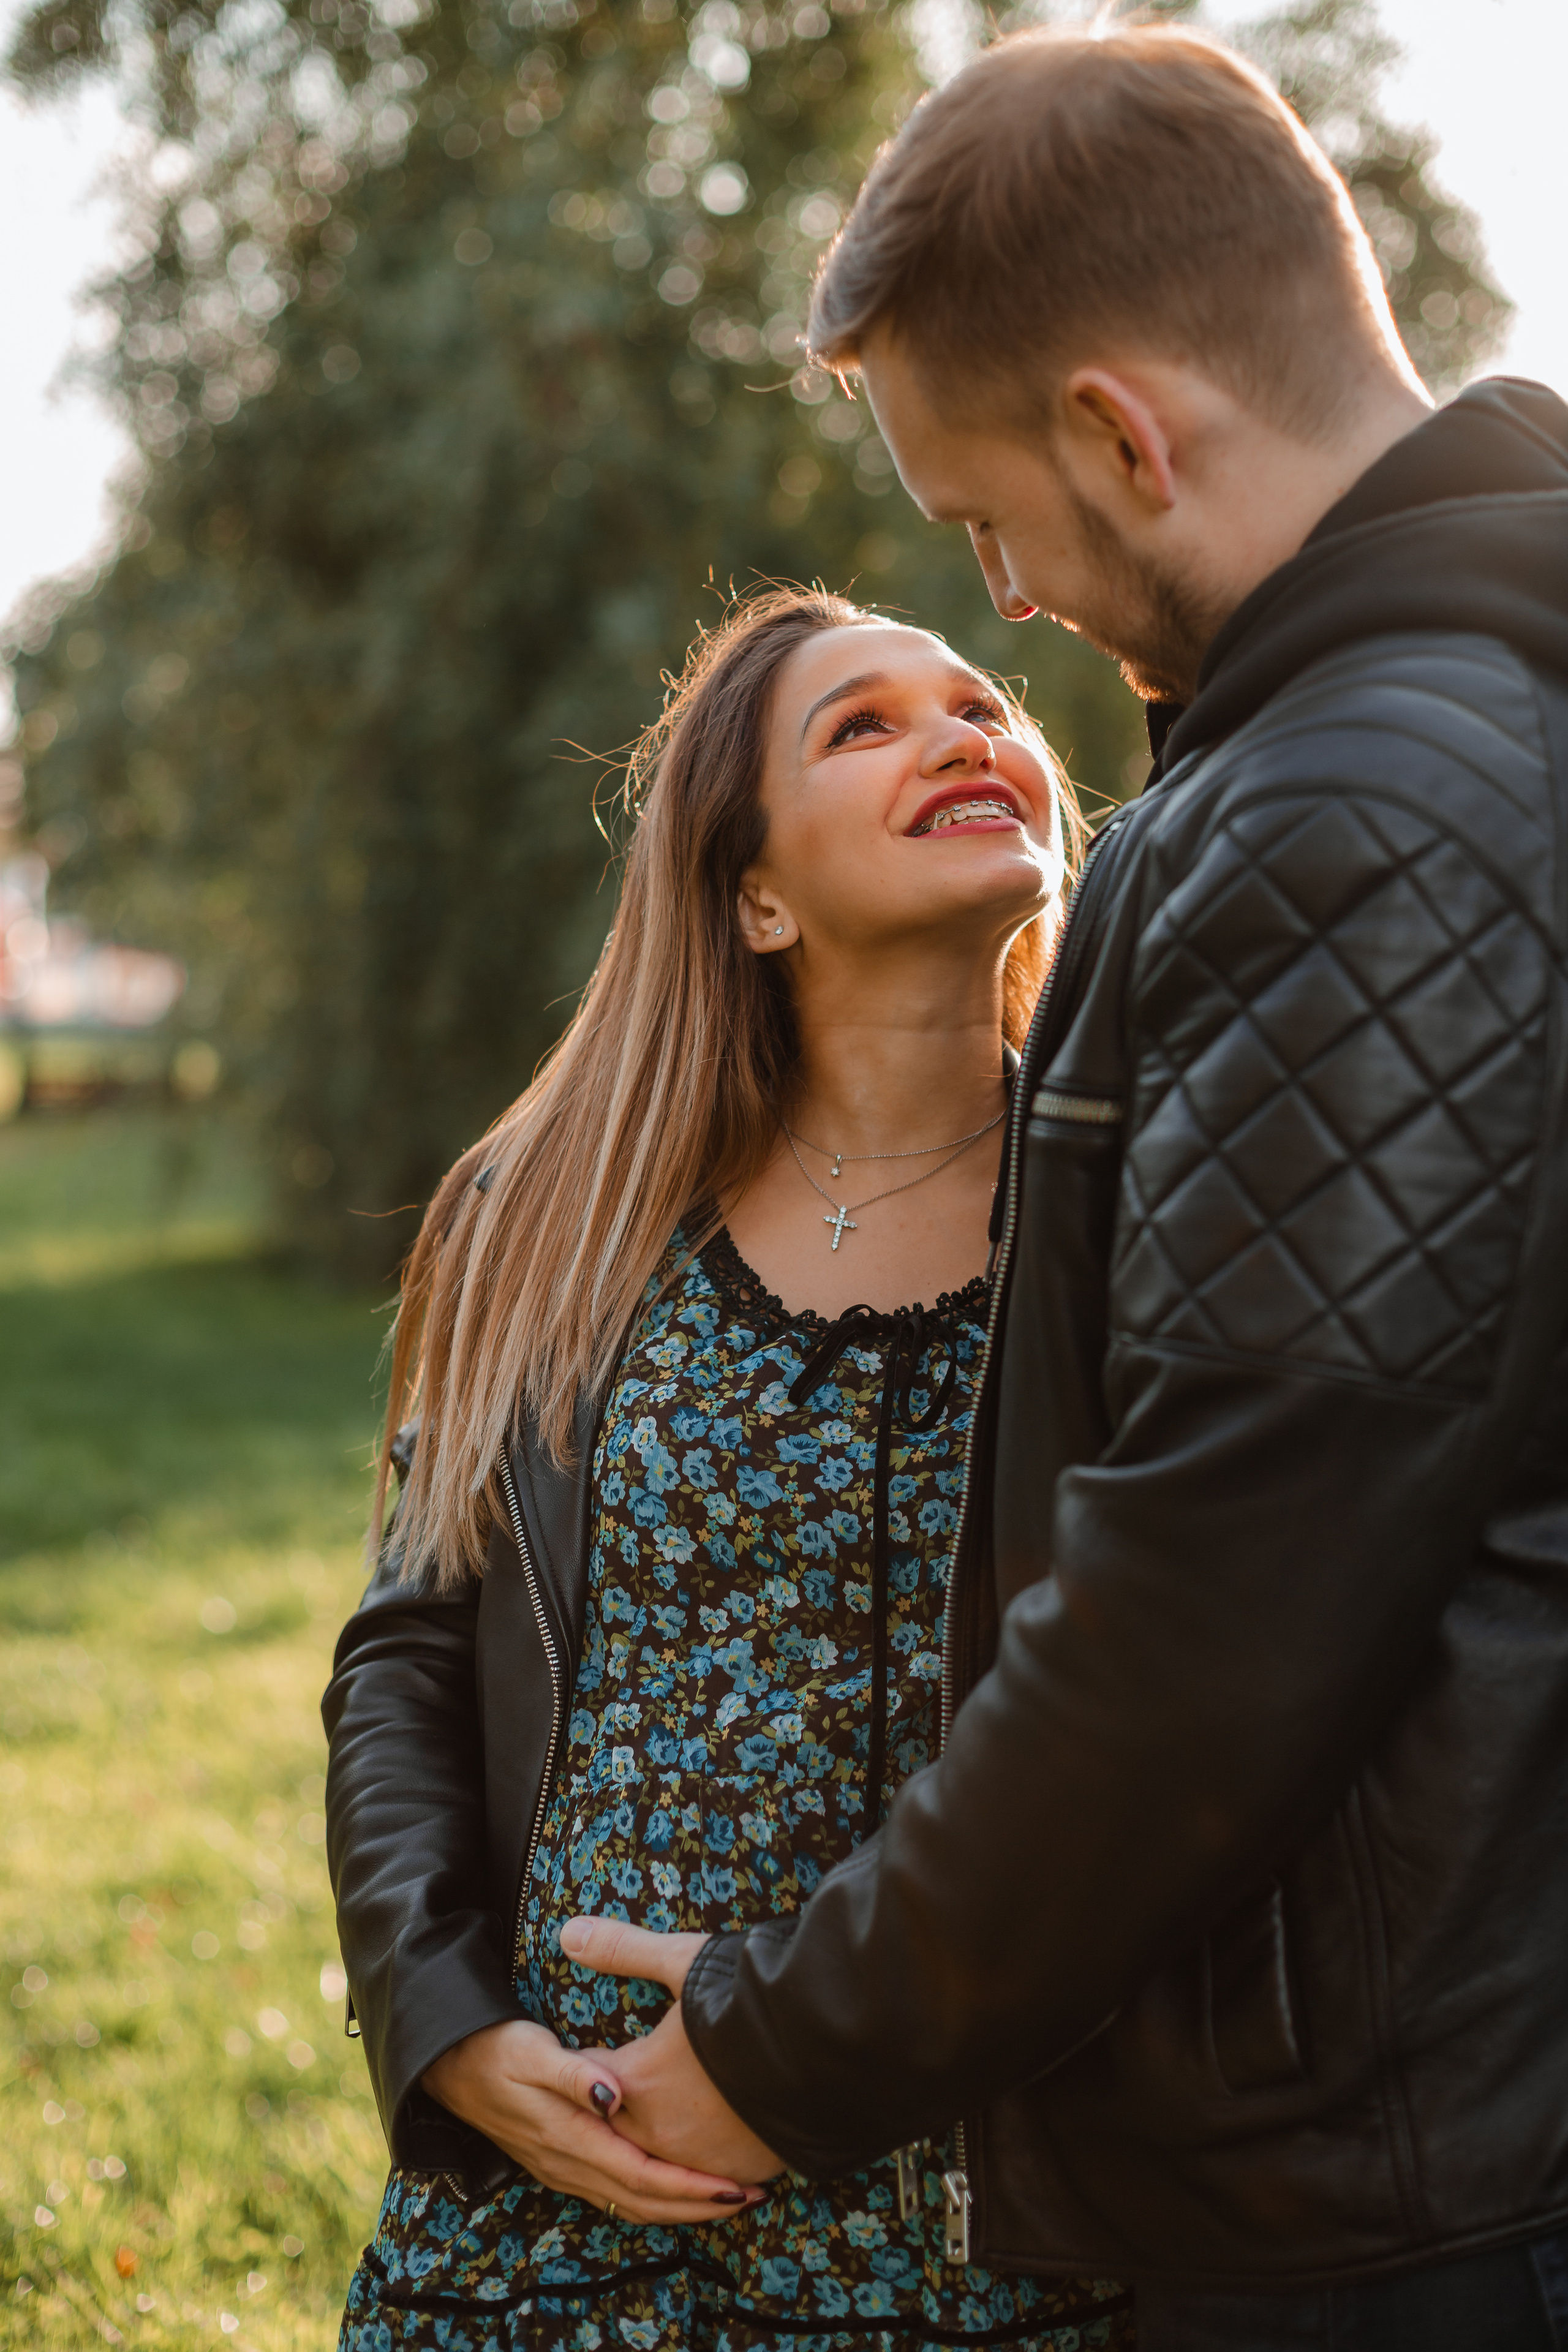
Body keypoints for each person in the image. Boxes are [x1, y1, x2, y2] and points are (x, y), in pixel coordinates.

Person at [556, 23, 1568, 2351]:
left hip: (1392, 2194)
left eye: (986, 524)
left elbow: (1215, 1607)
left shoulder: (1361, 811)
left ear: (1126, 432)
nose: (1003, 602)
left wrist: (777, 2055)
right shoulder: (1437, 740)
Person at [323, 587, 1134, 2350]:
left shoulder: (1149, 1211)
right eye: (865, 725)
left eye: (983, 704)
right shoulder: (551, 1212)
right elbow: (407, 1653)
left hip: (995, 2219)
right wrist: (446, 2029)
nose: (966, 733)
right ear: (754, 895)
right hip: (570, 2182)